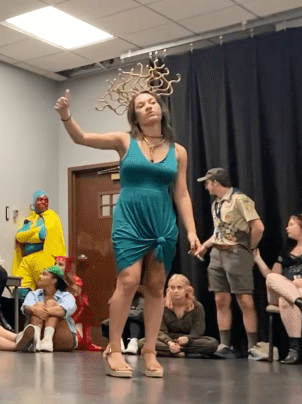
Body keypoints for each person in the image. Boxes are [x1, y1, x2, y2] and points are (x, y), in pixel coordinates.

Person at [55, 62, 201, 378]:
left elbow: (182, 193)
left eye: (152, 102)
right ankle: (115, 348)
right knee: (129, 279)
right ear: (134, 116)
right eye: (141, 104)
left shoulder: (178, 152)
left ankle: (149, 351)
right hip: (130, 219)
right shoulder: (125, 141)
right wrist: (66, 115)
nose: (148, 106)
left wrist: (191, 231)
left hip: (162, 222)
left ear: (161, 109)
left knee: (156, 286)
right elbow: (82, 138)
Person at [193, 167, 264, 359]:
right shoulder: (216, 204)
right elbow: (219, 231)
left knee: (244, 299)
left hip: (236, 253)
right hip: (217, 253)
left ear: (216, 182)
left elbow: (258, 227)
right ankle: (225, 344)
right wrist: (205, 246)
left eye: (207, 183)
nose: (206, 187)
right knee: (220, 299)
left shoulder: (239, 199)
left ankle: (252, 346)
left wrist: (249, 248)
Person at [253, 214, 302, 364]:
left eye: (291, 225)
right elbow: (271, 277)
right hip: (281, 291)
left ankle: (294, 351)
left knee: (286, 300)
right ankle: (301, 303)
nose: (287, 228)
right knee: (272, 277)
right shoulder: (285, 251)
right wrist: (258, 259)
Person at [149, 274, 218, 358]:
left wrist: (187, 339)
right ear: (168, 290)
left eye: (179, 288)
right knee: (143, 342)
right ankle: (185, 353)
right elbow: (160, 331)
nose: (175, 291)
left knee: (212, 343)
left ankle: (176, 352)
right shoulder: (162, 306)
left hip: (189, 341)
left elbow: (198, 331)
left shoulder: (197, 306)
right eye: (172, 288)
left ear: (187, 290)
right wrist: (169, 343)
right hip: (168, 339)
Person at [13, 191, 66, 290]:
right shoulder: (30, 219)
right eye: (40, 200)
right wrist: (35, 231)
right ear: (34, 202)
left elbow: (42, 235)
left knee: (45, 288)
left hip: (43, 256)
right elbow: (19, 237)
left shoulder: (52, 217)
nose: (43, 202)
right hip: (27, 259)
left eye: (46, 200)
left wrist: (28, 237)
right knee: (20, 289)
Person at [21, 266, 77, 352]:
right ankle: (37, 340)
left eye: (44, 274)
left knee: (51, 303)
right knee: (38, 305)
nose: (40, 276)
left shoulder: (67, 296)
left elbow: (64, 310)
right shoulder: (33, 294)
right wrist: (35, 309)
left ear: (54, 280)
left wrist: (41, 311)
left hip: (61, 338)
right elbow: (26, 308)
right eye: (40, 274)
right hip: (38, 338)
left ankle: (47, 339)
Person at [55, 256, 102, 351]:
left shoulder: (75, 280)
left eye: (60, 264)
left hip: (75, 313)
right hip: (57, 312)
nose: (56, 266)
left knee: (77, 341)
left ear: (67, 267)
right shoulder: (51, 279)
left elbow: (78, 301)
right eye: (55, 264)